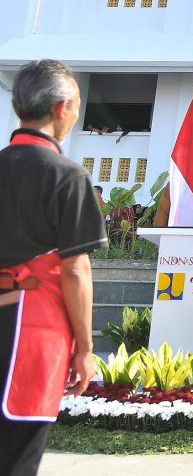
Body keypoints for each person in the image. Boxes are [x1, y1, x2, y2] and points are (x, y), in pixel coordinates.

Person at [0, 60, 106, 476]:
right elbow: (76, 270)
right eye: (77, 107)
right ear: (62, 108)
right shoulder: (66, 175)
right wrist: (85, 349)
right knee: (19, 457)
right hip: (34, 327)